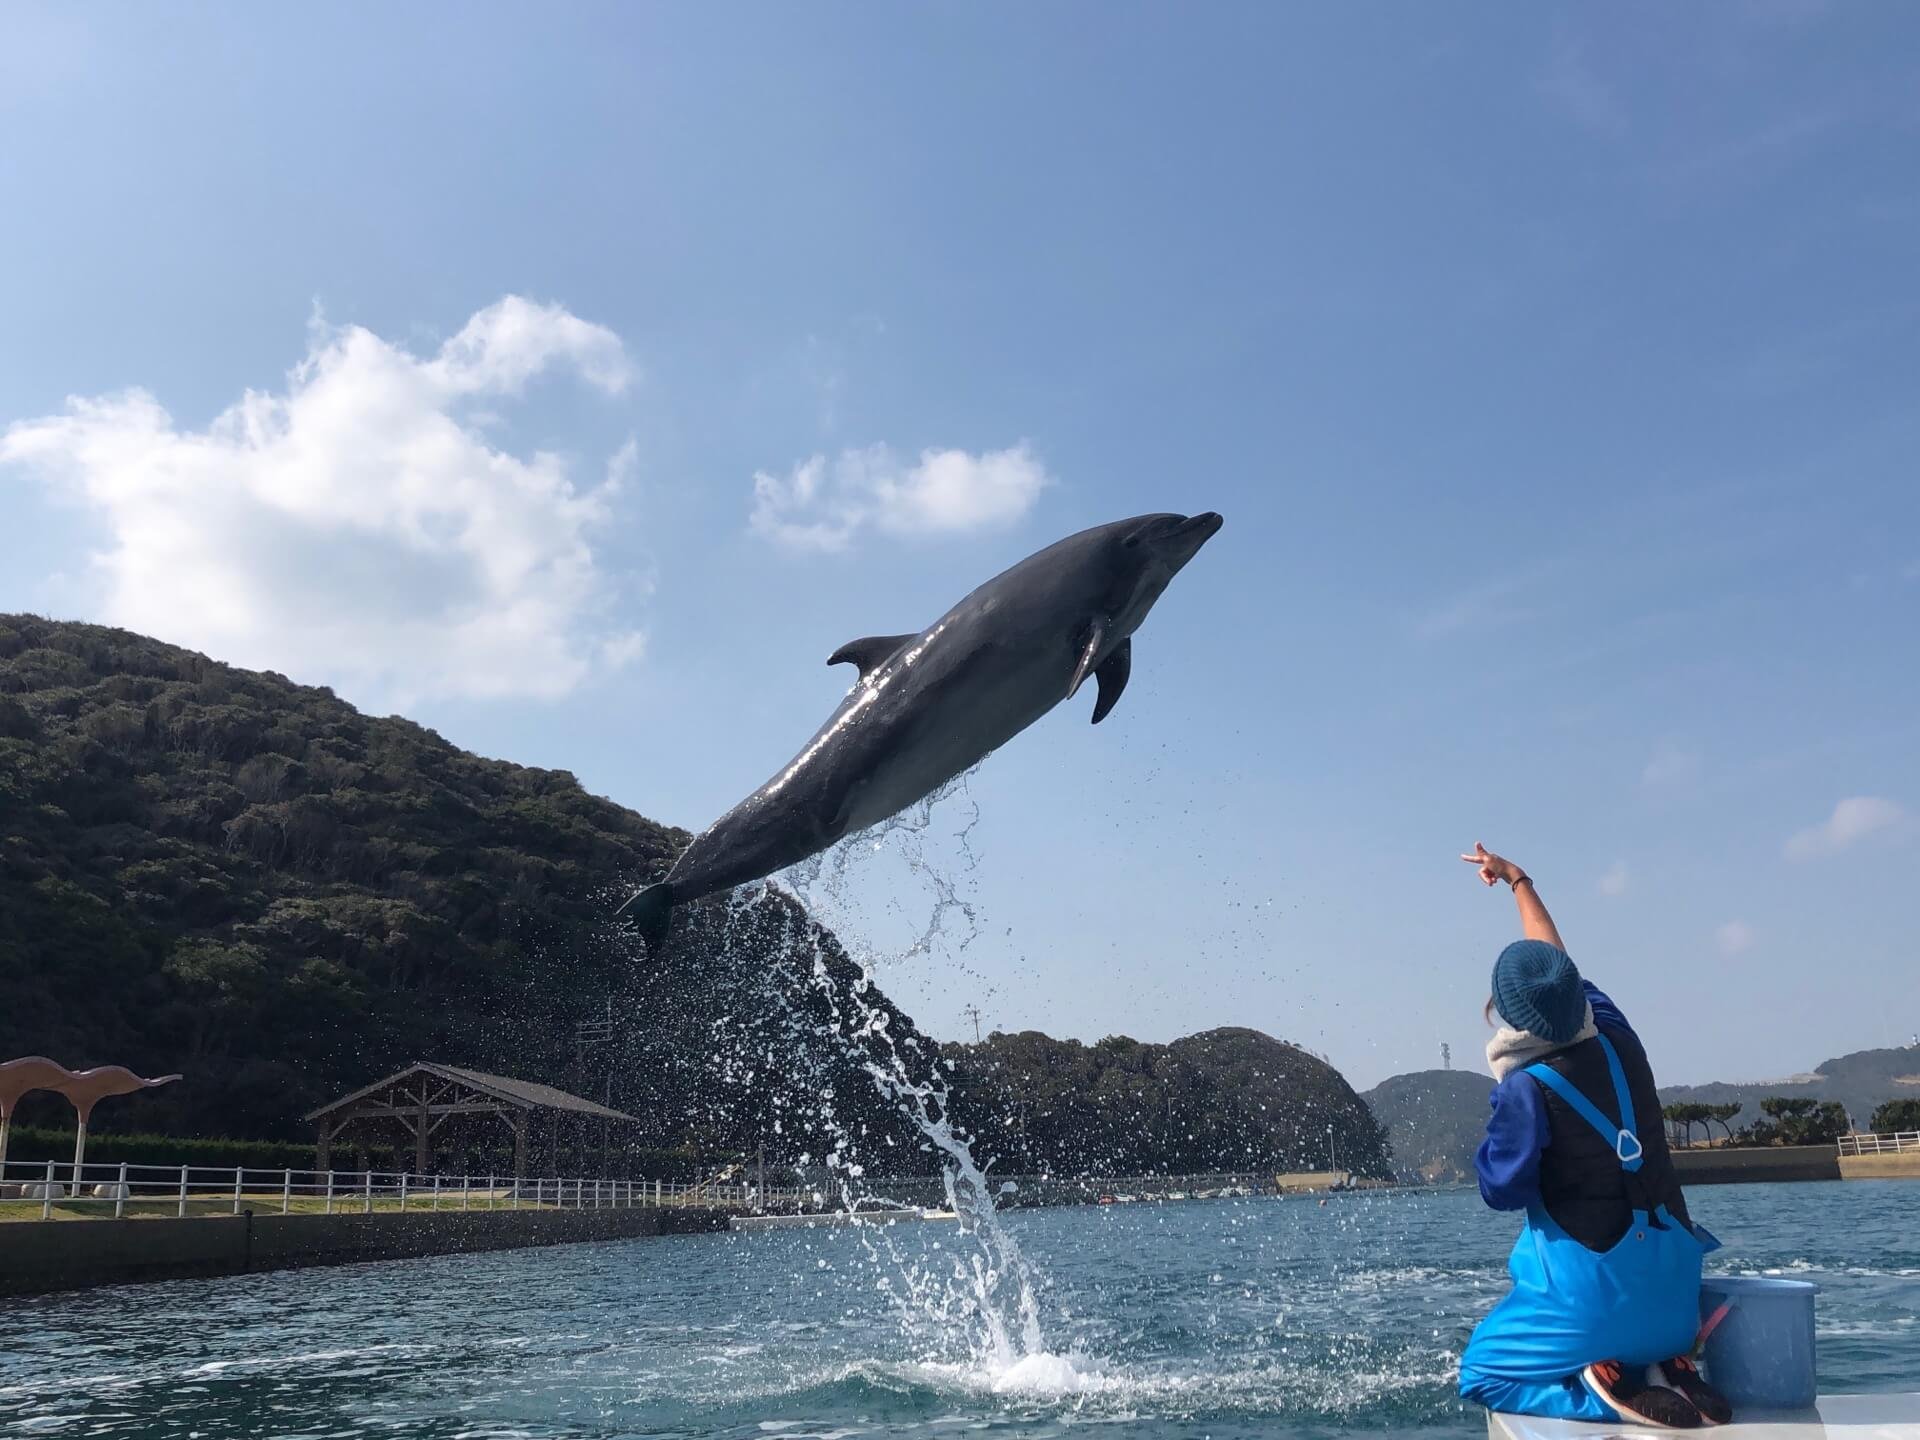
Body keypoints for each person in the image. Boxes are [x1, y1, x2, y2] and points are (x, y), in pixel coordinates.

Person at [1455, 844, 1732, 1430]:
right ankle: (1669, 1369)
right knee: (1642, 1311)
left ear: (1506, 1014)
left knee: (1480, 1373)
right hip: (1676, 1306)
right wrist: (1516, 879)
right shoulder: (1618, 1036)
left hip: (1596, 1309)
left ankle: (1600, 1393)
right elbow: (1557, 961)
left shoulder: (1523, 1090)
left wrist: (1501, 1124)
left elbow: (1501, 1190)